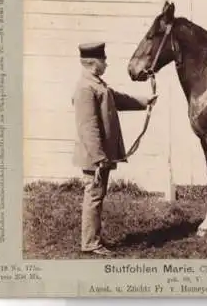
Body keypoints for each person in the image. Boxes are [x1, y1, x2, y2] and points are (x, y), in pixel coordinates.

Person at [72, 42, 158, 256]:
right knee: (93, 196)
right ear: (93, 64)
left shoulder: (96, 84)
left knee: (97, 196)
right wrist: (100, 158)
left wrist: (145, 101)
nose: (107, 64)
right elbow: (88, 127)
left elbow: (117, 98)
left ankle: (93, 238)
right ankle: (90, 243)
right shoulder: (85, 88)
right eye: (104, 61)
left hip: (99, 156)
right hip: (95, 157)